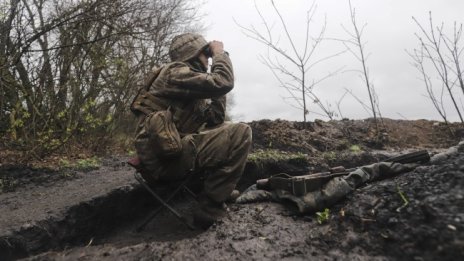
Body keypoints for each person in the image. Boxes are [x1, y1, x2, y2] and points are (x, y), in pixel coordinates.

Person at [130, 33, 252, 229]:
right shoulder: (174, 73)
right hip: (163, 159)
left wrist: (216, 87)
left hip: (171, 152)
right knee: (241, 132)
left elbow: (215, 119)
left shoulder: (189, 89)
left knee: (229, 128)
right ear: (193, 55)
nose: (209, 57)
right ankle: (209, 209)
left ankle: (219, 189)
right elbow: (224, 81)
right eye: (206, 54)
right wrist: (221, 54)